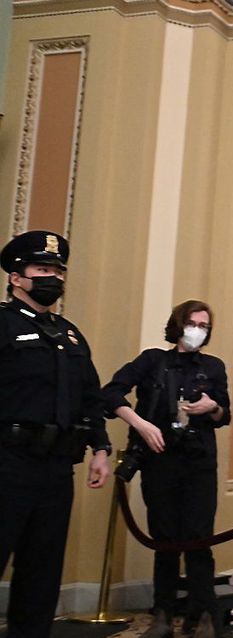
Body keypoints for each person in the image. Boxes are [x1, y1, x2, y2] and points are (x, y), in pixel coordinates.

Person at [0, 230, 111, 638]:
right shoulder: (3, 324)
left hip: (56, 470)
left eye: (58, 271)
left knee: (42, 573)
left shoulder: (70, 334)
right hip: (7, 465)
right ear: (17, 277)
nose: (53, 278)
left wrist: (100, 447)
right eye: (42, 269)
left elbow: (90, 397)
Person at [102, 299, 231, 638]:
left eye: (205, 326)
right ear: (178, 324)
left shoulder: (214, 367)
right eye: (193, 323)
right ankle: (162, 614)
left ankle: (204, 614)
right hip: (160, 460)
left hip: (199, 462)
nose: (198, 331)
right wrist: (141, 424)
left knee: (199, 537)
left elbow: (225, 414)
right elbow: (111, 393)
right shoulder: (152, 360)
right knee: (165, 537)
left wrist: (212, 406)